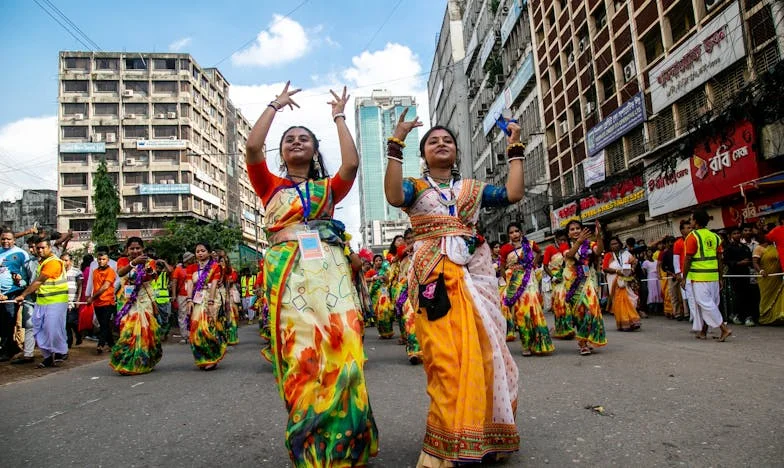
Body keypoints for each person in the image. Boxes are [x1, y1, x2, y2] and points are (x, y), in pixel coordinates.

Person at [244, 82, 378, 467]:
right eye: (290, 139)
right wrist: (275, 105)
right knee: (302, 355)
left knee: (345, 350)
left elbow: (351, 164)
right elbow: (253, 148)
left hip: (331, 274)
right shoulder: (269, 186)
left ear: (315, 150)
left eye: (305, 138)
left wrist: (338, 115)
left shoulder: (327, 189)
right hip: (289, 280)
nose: (297, 142)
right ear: (282, 153)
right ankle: (311, 445)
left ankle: (345, 442)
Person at [384, 111, 523, 465]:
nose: (441, 144)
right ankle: (450, 443)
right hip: (434, 278)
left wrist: (515, 147)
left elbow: (512, 193)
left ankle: (483, 437)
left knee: (487, 353)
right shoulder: (414, 187)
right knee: (446, 361)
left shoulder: (471, 191)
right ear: (423, 153)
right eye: (433, 141)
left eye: (448, 140)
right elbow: (392, 194)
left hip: (476, 275)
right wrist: (395, 145)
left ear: (457, 152)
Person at [107, 237, 163, 375]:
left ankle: (142, 361)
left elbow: (153, 277)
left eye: (138, 248)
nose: (135, 251)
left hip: (144, 299)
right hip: (127, 301)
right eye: (132, 248)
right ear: (127, 250)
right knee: (128, 330)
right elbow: (120, 273)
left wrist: (149, 270)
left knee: (144, 330)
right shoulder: (123, 261)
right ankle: (126, 361)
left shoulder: (149, 262)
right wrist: (133, 263)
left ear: (142, 249)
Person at [500, 222, 554, 356]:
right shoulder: (505, 248)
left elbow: (539, 252)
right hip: (515, 283)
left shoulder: (529, 244)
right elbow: (502, 267)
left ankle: (539, 343)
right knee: (521, 313)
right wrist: (509, 279)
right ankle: (526, 344)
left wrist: (533, 264)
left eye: (516, 231)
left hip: (529, 282)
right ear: (508, 235)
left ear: (521, 232)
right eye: (511, 232)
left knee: (534, 311)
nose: (514, 234)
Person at [14, 238, 69, 368]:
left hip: (55, 302)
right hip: (42, 302)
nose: (40, 250)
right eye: (38, 248)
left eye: (43, 247)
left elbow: (39, 281)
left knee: (52, 329)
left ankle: (59, 353)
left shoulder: (54, 262)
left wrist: (23, 295)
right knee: (40, 330)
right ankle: (48, 357)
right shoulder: (42, 263)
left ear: (49, 247)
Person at [681, 210, 732, 341]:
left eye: (691, 219)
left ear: (696, 221)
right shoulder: (715, 236)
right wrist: (720, 277)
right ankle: (703, 332)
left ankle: (724, 329)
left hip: (699, 277)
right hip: (713, 276)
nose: (690, 221)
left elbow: (688, 259)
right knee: (710, 304)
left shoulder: (692, 237)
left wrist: (684, 277)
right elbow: (719, 259)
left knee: (705, 304)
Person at [563, 219, 607, 355]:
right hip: (572, 280)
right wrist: (579, 242)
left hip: (588, 279)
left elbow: (599, 251)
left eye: (578, 228)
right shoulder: (565, 246)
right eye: (572, 229)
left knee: (592, 308)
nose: (575, 231)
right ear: (568, 233)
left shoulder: (590, 244)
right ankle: (583, 343)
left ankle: (587, 338)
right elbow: (570, 255)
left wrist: (598, 236)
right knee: (579, 311)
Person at [185, 242, 227, 370]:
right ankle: (202, 357)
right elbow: (190, 284)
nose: (200, 253)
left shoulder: (215, 266)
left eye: (203, 250)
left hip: (210, 297)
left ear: (209, 252)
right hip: (196, 298)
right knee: (196, 329)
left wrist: (211, 302)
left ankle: (212, 357)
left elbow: (214, 284)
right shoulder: (191, 268)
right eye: (198, 251)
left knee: (208, 328)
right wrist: (188, 300)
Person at [0, 227, 31, 362]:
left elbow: (26, 275)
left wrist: (21, 286)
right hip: (0, 293)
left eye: (8, 239)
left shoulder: (21, 254)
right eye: (3, 239)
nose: (5, 241)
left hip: (13, 293)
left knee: (9, 321)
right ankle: (11, 346)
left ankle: (7, 350)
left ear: (14, 240)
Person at [602, 236, 641, 331]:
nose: (614, 245)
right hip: (615, 282)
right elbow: (605, 268)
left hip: (627, 280)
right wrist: (617, 271)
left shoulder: (626, 253)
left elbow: (635, 262)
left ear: (620, 244)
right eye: (612, 244)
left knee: (631, 301)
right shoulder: (608, 255)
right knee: (620, 302)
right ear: (609, 246)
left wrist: (632, 269)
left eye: (616, 243)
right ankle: (624, 323)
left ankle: (632, 321)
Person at [88, 249, 118, 354]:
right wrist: (91, 297)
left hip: (107, 302)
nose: (101, 261)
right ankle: (111, 344)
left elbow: (105, 287)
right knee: (102, 324)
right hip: (97, 303)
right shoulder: (95, 271)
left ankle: (100, 345)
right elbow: (93, 286)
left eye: (103, 259)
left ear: (107, 260)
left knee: (105, 324)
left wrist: (92, 298)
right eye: (99, 259)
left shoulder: (111, 272)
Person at [723, 227, 755, 326]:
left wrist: (747, 262)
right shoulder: (729, 248)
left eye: (738, 233)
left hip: (745, 274)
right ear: (731, 236)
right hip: (735, 275)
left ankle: (748, 316)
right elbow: (727, 261)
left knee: (747, 295)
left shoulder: (745, 247)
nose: (737, 235)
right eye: (734, 233)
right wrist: (738, 263)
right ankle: (737, 315)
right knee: (738, 295)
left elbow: (750, 260)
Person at [755, 224, 784, 324]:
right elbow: (755, 263)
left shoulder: (776, 247)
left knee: (779, 296)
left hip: (777, 277)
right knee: (766, 297)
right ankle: (764, 317)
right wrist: (761, 271)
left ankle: (775, 317)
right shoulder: (759, 248)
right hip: (765, 278)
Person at [368, 254, 395, 339]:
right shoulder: (371, 272)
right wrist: (373, 279)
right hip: (374, 295)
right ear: (374, 263)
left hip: (384, 294)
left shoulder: (386, 270)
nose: (378, 262)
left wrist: (384, 277)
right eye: (376, 261)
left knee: (385, 311)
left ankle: (388, 331)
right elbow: (365, 279)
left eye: (380, 260)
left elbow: (388, 282)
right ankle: (381, 332)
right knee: (376, 314)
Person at [171, 252, 195, 344]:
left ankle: (192, 334)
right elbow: (174, 282)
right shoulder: (178, 269)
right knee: (182, 314)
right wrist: (174, 295)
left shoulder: (194, 267)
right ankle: (185, 335)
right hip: (182, 295)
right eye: (191, 258)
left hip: (193, 294)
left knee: (193, 314)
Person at [671, 220, 692, 321]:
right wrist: (678, 273)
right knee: (687, 296)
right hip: (683, 272)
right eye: (687, 228)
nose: (689, 230)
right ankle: (692, 315)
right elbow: (675, 259)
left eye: (690, 228)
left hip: (695, 270)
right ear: (681, 231)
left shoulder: (694, 239)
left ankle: (695, 316)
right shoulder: (678, 243)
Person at [61, 252, 83, 348]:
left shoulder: (77, 272)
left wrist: (77, 300)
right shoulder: (59, 272)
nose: (64, 262)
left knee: (71, 321)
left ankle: (78, 335)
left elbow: (80, 286)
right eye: (62, 260)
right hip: (62, 301)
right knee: (66, 322)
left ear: (70, 261)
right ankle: (68, 342)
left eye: (66, 260)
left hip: (73, 300)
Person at [641, 249, 663, 315]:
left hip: (657, 276)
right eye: (648, 252)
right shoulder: (646, 262)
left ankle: (658, 307)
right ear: (646, 254)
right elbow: (643, 271)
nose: (650, 253)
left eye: (651, 252)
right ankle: (651, 307)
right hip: (650, 277)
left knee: (658, 291)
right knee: (652, 291)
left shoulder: (656, 261)